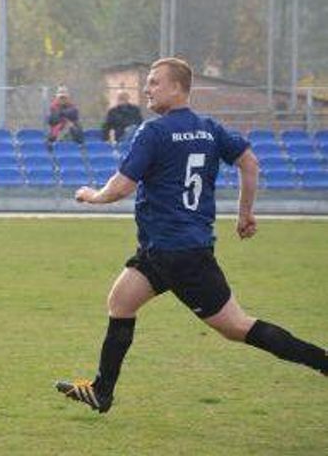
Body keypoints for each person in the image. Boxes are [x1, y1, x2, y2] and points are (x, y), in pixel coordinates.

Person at [56, 57, 327, 414]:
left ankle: (323, 361)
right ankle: (101, 391)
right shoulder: (209, 128)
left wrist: (92, 195)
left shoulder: (153, 132)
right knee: (121, 302)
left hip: (178, 254)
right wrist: (245, 213)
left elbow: (121, 187)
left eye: (154, 82)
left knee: (236, 326)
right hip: (163, 250)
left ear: (177, 87)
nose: (147, 89)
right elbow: (249, 162)